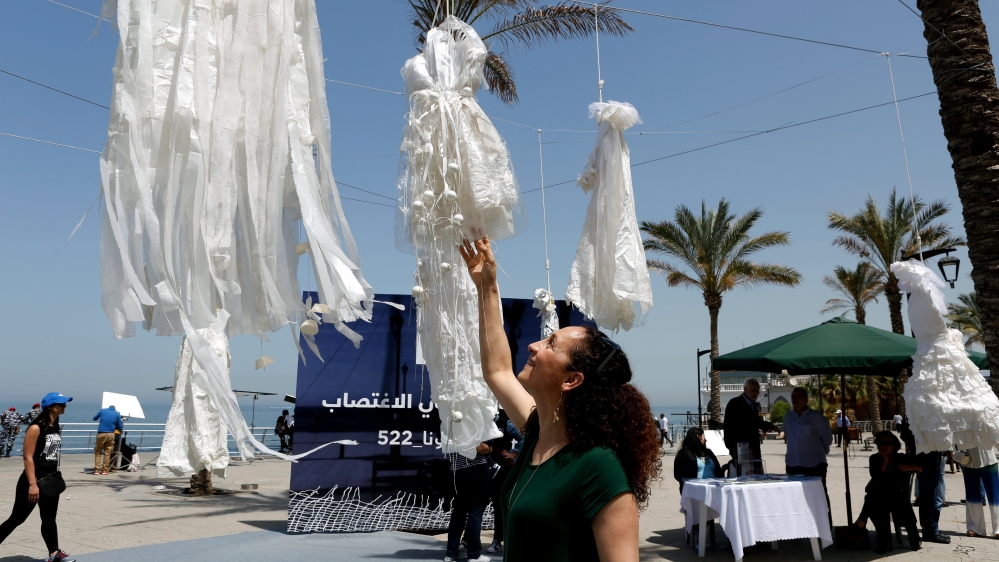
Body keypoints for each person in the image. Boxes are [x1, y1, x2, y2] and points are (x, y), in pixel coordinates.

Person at [459, 237, 661, 562]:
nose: (533, 346)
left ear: (571, 380)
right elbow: (497, 370)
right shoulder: (538, 433)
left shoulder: (599, 468)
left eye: (551, 344)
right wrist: (488, 286)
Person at [0, 392, 75, 561]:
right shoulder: (36, 427)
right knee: (17, 519)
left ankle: (54, 554)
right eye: (61, 403)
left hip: (50, 480)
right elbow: (28, 458)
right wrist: (32, 485)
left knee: (49, 519)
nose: (65, 406)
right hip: (32, 480)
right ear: (50, 406)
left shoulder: (55, 425)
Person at [854, 431, 921, 553]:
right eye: (881, 443)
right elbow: (876, 477)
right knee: (877, 503)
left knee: (871, 497)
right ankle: (883, 543)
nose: (884, 446)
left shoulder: (902, 458)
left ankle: (862, 520)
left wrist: (910, 467)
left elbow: (923, 468)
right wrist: (884, 460)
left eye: (888, 443)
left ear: (894, 446)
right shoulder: (874, 458)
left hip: (898, 496)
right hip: (881, 497)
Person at [783, 387, 833, 521]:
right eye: (793, 397)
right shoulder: (787, 417)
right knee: (795, 498)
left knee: (819, 498)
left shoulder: (817, 418)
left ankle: (825, 528)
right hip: (793, 464)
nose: (796, 400)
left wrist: (819, 452)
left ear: (806, 399)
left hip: (814, 465)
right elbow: (788, 437)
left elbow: (827, 439)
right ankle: (800, 530)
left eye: (799, 397)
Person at [673, 427, 723, 553]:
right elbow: (678, 474)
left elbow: (718, 470)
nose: (704, 439)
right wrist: (688, 482)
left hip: (714, 490)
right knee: (700, 509)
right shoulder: (684, 453)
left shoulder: (709, 452)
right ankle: (698, 532)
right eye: (702, 436)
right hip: (696, 491)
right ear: (695, 437)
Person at [445, 443, 492, 562]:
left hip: (455, 469)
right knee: (475, 511)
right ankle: (474, 555)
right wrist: (490, 448)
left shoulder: (447, 423)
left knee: (458, 512)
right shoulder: (475, 423)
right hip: (475, 468)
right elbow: (482, 448)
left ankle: (451, 553)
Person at [485, 411, 523, 554]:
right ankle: (468, 539)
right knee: (477, 505)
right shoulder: (479, 421)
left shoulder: (505, 422)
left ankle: (497, 540)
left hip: (502, 470)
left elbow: (524, 438)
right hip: (484, 468)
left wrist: (514, 454)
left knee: (499, 506)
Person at [723, 378, 773, 474]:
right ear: (745, 389)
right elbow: (729, 429)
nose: (756, 393)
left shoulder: (754, 404)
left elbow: (754, 422)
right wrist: (732, 450)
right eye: (753, 390)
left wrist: (768, 426)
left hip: (754, 451)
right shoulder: (734, 404)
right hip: (741, 451)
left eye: (758, 391)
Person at [953, 447, 999, 537]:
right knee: (972, 494)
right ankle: (975, 527)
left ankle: (998, 528)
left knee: (995, 494)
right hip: (966, 458)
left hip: (987, 457)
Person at [916, 450, 950, 544]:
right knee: (932, 498)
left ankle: (931, 530)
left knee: (930, 498)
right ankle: (931, 531)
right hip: (928, 459)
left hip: (931, 457)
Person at [92, 405, 123, 475]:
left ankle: (97, 470)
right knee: (107, 453)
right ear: (115, 408)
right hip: (111, 434)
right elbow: (119, 425)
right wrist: (121, 431)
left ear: (108, 407)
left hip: (101, 434)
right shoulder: (117, 414)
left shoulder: (102, 410)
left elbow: (94, 418)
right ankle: (104, 470)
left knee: (98, 452)